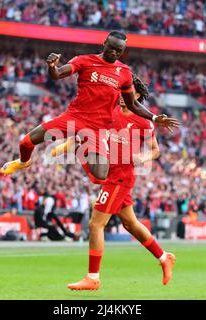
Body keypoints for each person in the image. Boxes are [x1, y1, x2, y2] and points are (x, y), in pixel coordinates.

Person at [0, 30, 180, 181]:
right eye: (112, 48)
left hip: (97, 128)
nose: (115, 53)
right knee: (25, 142)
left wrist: (155, 118)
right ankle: (23, 162)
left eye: (119, 51)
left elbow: (132, 104)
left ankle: (78, 145)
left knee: (101, 175)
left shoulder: (124, 72)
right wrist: (52, 67)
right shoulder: (84, 61)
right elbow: (57, 75)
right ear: (104, 44)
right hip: (74, 118)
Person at [55, 75, 176, 290]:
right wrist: (71, 141)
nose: (121, 96)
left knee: (95, 224)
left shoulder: (143, 122)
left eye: (127, 93)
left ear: (136, 96)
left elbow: (156, 150)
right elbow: (92, 129)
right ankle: (163, 257)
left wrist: (144, 157)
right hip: (109, 173)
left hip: (121, 177)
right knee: (130, 223)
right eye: (120, 92)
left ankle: (93, 277)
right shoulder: (108, 111)